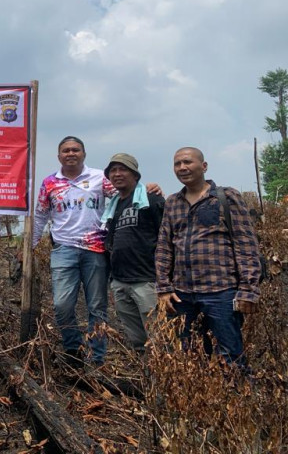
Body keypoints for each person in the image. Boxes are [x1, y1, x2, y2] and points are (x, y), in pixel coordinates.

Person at [155, 147, 260, 366]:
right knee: (187, 354)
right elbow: (165, 246)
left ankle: (238, 396)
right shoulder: (173, 202)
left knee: (230, 354)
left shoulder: (226, 197)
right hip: (182, 295)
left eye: (188, 162)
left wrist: (249, 289)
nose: (182, 168)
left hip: (221, 291)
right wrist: (164, 287)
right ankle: (195, 400)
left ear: (204, 166)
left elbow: (245, 243)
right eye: (177, 164)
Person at [32, 136, 115, 366]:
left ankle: (97, 358)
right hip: (63, 250)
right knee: (62, 305)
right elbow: (41, 215)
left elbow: (123, 195)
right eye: (66, 150)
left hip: (95, 250)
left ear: (84, 154)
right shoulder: (50, 183)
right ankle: (73, 350)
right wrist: (31, 245)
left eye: (75, 150)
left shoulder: (100, 178)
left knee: (97, 307)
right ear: (59, 156)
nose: (71, 153)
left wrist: (146, 190)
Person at [101, 154, 165, 353]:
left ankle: (164, 381)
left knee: (158, 339)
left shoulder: (150, 198)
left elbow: (168, 236)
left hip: (147, 281)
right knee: (137, 340)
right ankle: (147, 381)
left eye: (123, 169)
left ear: (135, 175)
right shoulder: (113, 206)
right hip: (121, 282)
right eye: (113, 171)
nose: (117, 174)